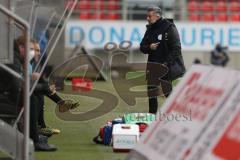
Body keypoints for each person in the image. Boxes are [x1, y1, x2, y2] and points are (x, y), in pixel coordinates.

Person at [140, 6, 184, 114]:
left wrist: (165, 64)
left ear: (157, 16)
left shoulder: (169, 28)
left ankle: (176, 114)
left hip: (165, 68)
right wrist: (149, 47)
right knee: (152, 94)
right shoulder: (149, 29)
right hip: (153, 67)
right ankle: (152, 118)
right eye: (147, 16)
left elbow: (177, 49)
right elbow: (142, 47)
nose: (147, 18)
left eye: (149, 16)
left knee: (168, 93)